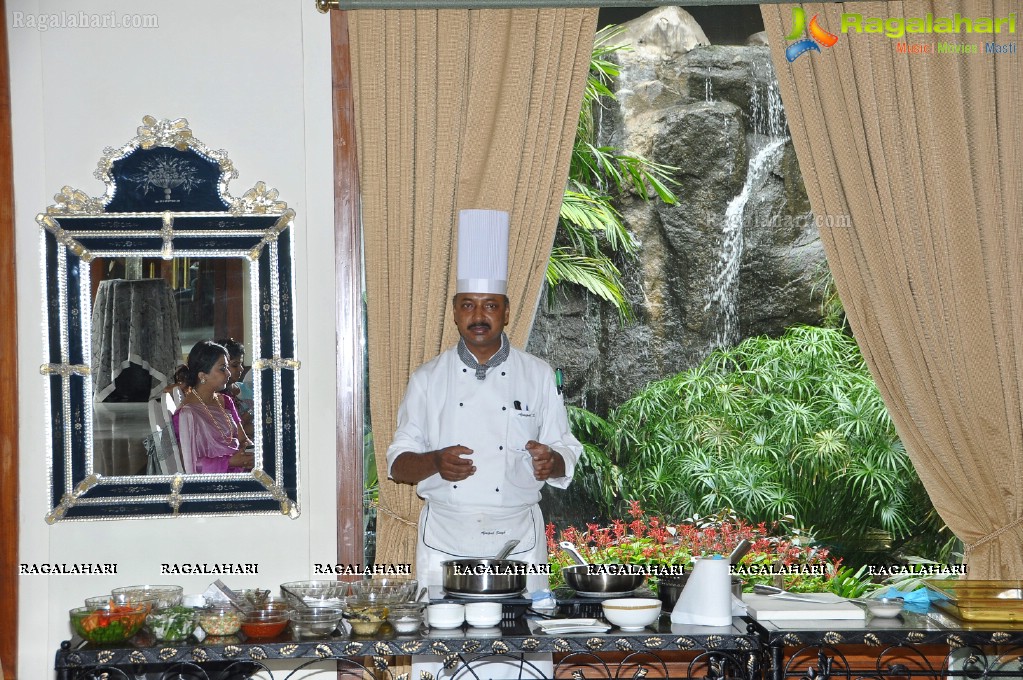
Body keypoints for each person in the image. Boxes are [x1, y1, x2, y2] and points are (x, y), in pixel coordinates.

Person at [386, 209, 583, 594]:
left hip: (518, 539)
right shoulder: (427, 378)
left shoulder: (539, 374)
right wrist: (434, 462)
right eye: (468, 305)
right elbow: (398, 463)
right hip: (445, 537)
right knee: (441, 644)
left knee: (521, 645)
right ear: (456, 313)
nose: (479, 315)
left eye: (490, 305)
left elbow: (566, 447)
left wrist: (552, 460)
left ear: (506, 312)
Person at [174, 340, 254, 474]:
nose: (228, 373)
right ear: (202, 376)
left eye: (227, 368)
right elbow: (190, 464)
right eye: (223, 368)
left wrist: (251, 452)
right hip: (217, 481)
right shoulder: (185, 415)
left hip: (242, 469)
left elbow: (243, 439)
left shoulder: (226, 401)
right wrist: (230, 462)